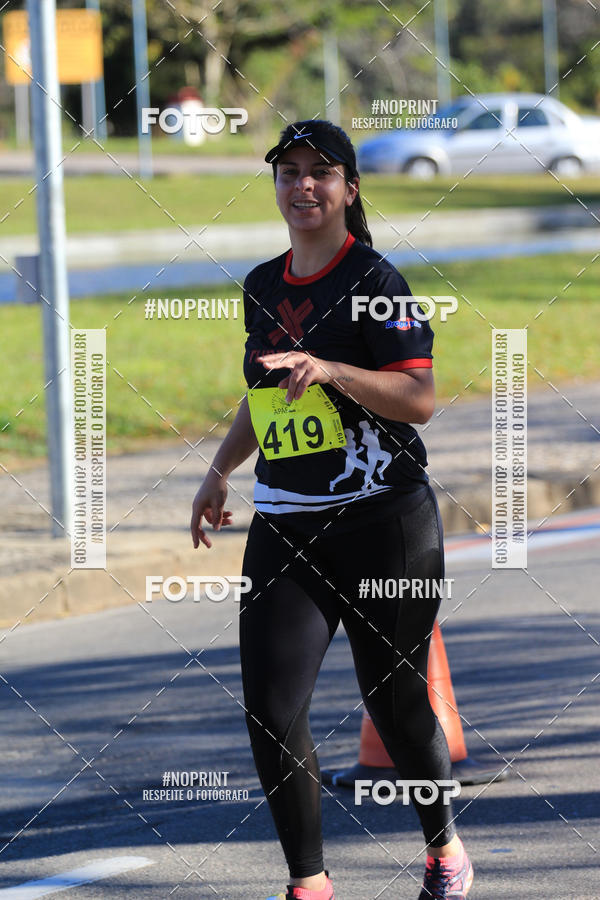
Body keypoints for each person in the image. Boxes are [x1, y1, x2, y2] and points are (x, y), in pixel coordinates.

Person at [191, 119, 473, 900]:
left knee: (395, 700)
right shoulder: (262, 284)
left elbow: (418, 400)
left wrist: (333, 369)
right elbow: (266, 392)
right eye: (289, 172)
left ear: (350, 187)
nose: (303, 186)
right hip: (285, 521)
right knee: (271, 707)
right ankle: (310, 884)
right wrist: (218, 471)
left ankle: (443, 847)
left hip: (385, 520)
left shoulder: (380, 284)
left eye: (322, 172)